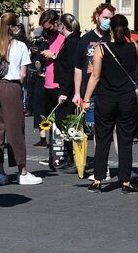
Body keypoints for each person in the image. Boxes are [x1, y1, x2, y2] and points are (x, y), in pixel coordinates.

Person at [82, 14, 138, 194]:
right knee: (125, 140)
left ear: (110, 29)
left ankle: (98, 179)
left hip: (106, 98)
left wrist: (86, 99)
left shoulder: (102, 49)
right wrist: (129, 37)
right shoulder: (133, 47)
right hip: (127, 99)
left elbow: (95, 76)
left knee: (103, 139)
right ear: (126, 29)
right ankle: (126, 182)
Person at [0, 13, 40, 185]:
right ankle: (22, 171)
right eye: (16, 24)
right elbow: (23, 73)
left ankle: (0, 173)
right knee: (15, 129)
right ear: (11, 26)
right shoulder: (20, 46)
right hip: (12, 87)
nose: (18, 26)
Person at [50, 13, 81, 171]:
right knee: (64, 122)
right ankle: (71, 157)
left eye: (59, 24)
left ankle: (75, 157)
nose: (58, 26)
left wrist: (65, 92)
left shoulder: (73, 42)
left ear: (64, 25)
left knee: (66, 122)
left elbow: (72, 69)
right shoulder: (69, 41)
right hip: (65, 87)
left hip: (68, 89)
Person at [34, 10, 65, 149]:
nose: (47, 31)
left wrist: (52, 55)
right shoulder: (50, 39)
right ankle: (54, 153)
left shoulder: (63, 39)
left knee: (60, 121)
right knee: (50, 120)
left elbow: (67, 59)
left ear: (56, 23)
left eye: (48, 28)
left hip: (58, 84)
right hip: (48, 83)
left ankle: (60, 153)